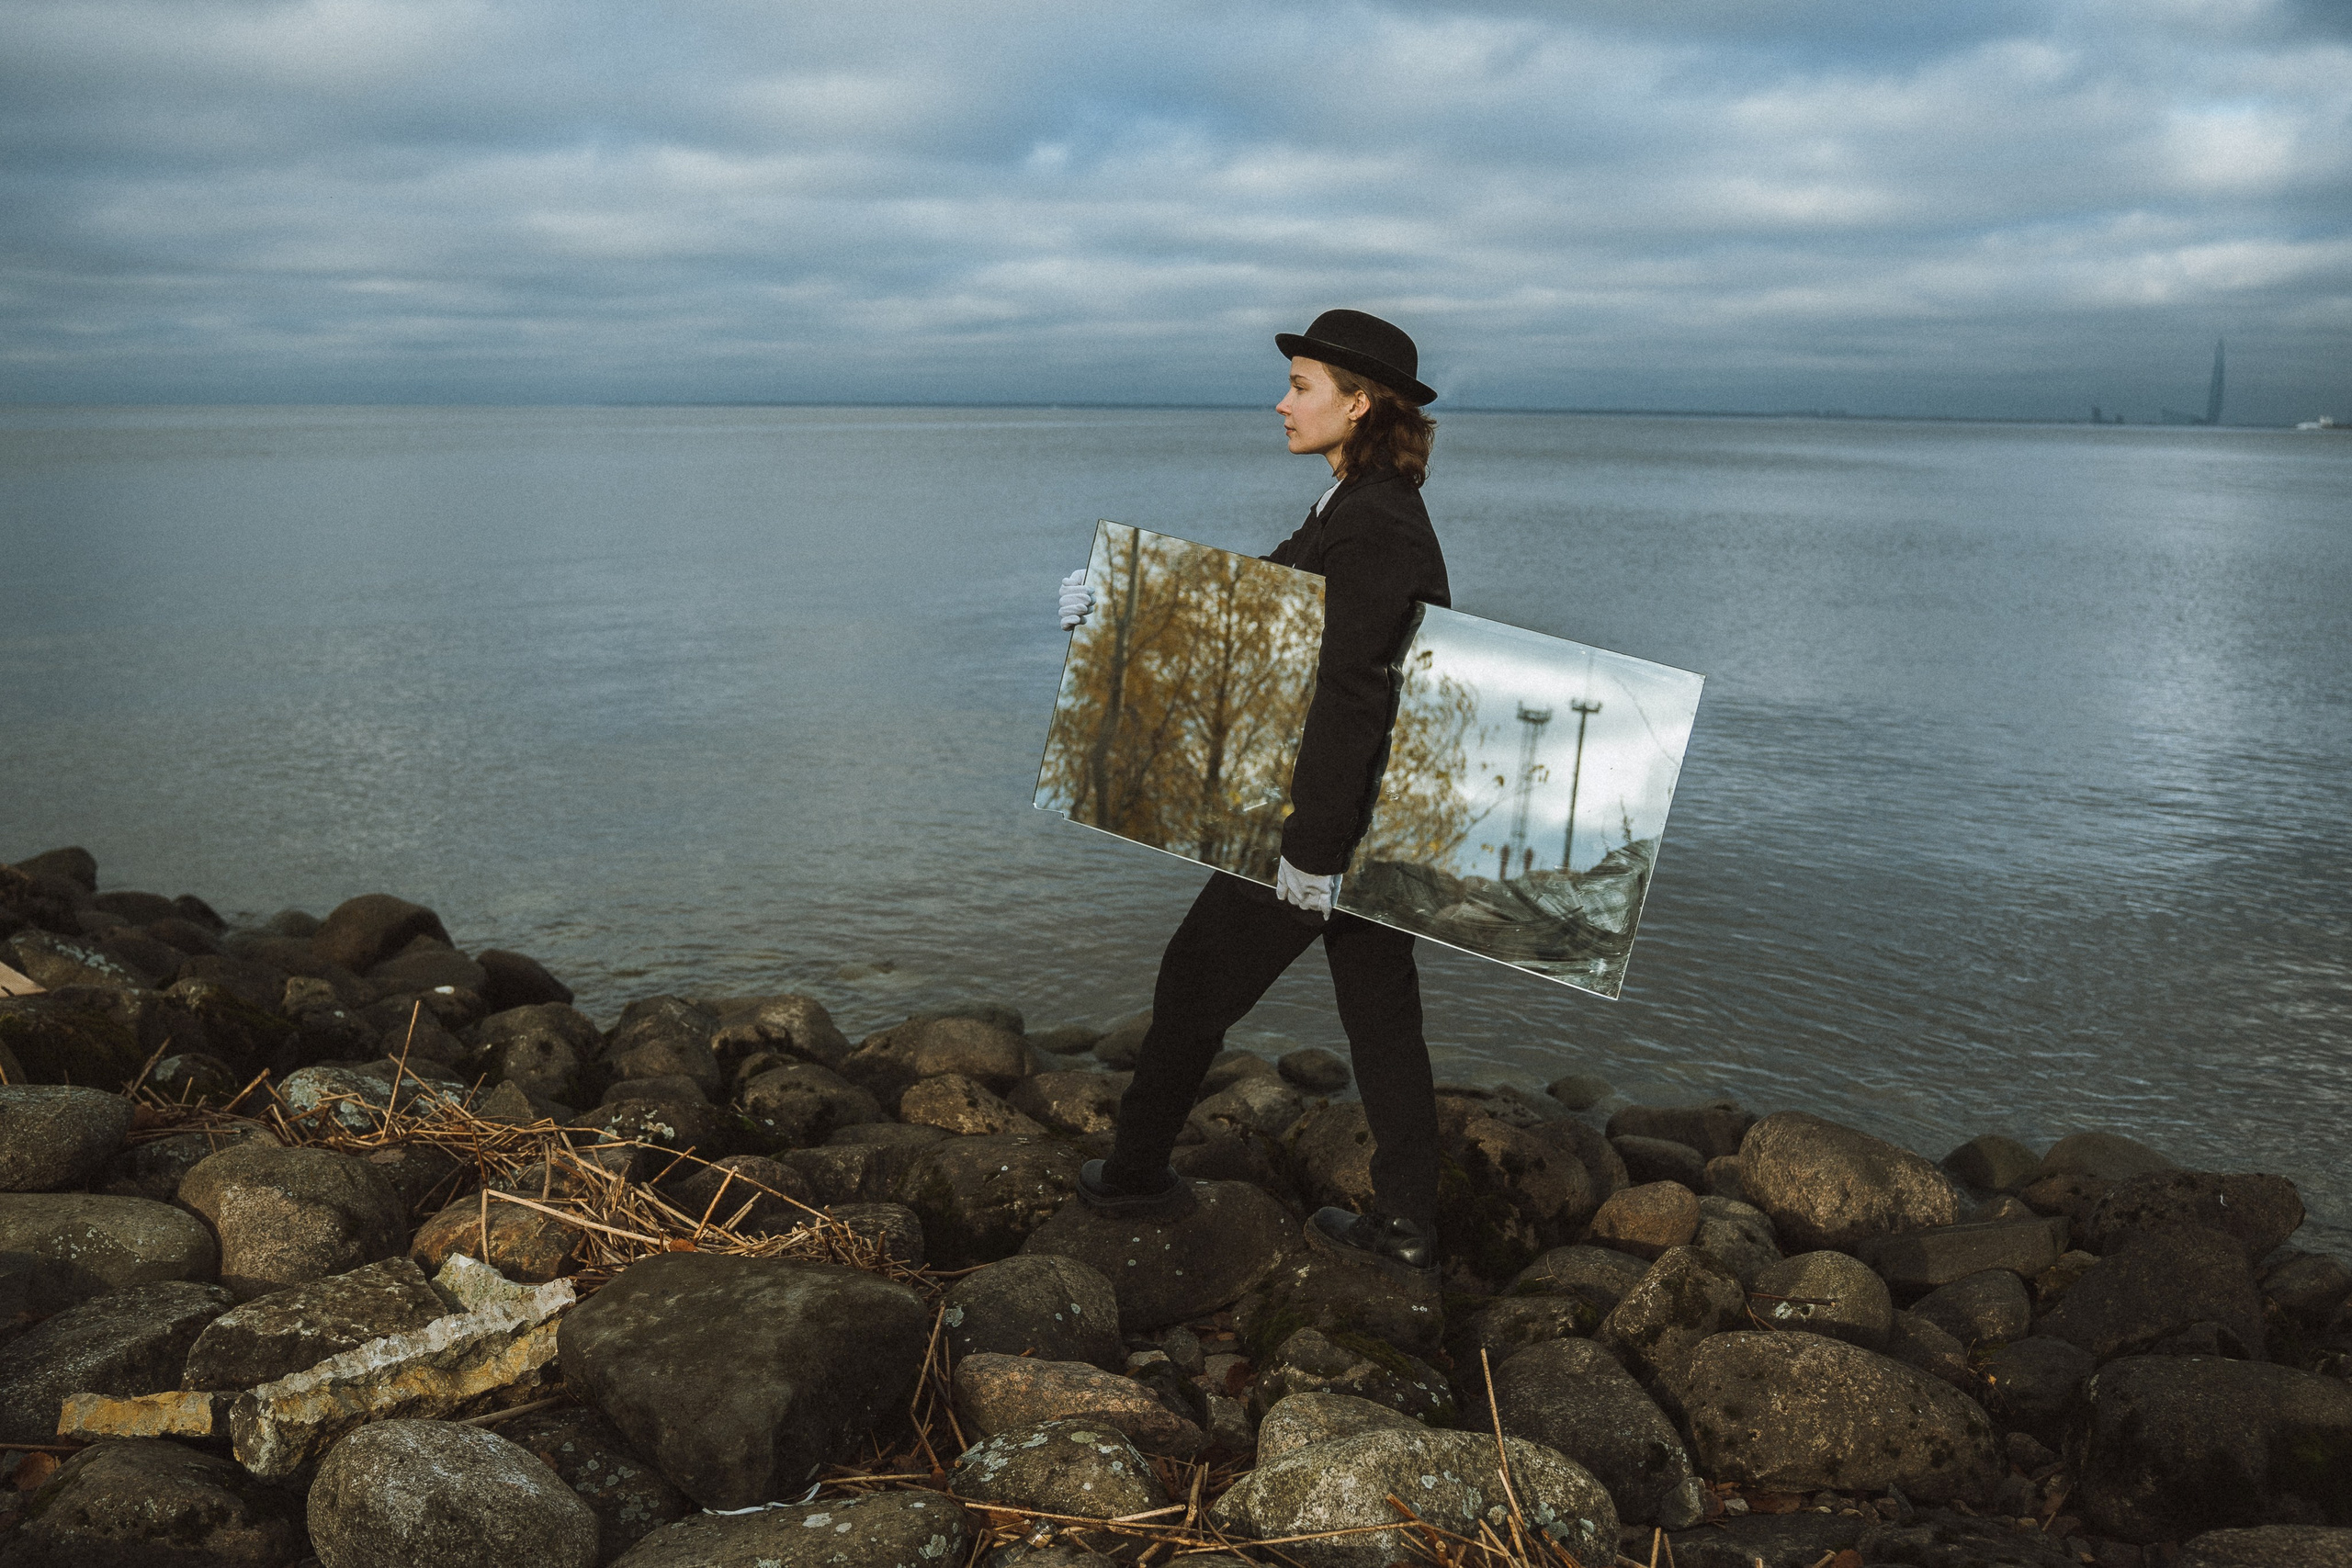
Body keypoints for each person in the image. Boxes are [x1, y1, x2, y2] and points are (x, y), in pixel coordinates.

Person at [1053, 310, 1451, 1269]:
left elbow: (1347, 697)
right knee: (1381, 1014)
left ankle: (1137, 1177)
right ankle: (1408, 1227)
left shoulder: (1373, 529)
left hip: (1327, 822)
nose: (1282, 402)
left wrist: (1309, 857)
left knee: (1194, 980)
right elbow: (1245, 613)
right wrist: (1107, 610)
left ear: (1360, 405)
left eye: (1303, 385)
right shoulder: (1350, 510)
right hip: (1368, 816)